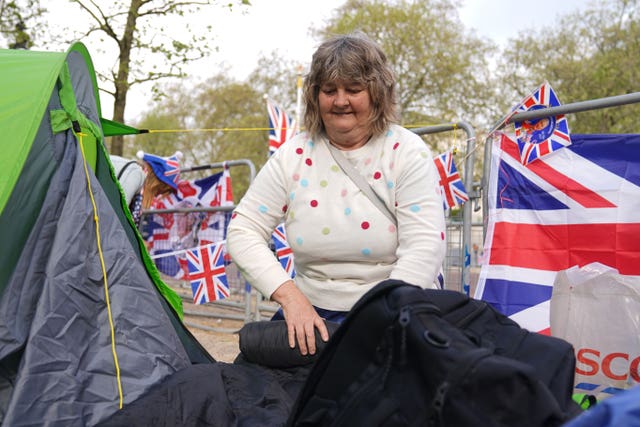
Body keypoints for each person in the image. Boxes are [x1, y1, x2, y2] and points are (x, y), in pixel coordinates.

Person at [226, 31, 446, 356]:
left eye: (353, 89)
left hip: (394, 309)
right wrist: (289, 296)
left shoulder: (407, 152)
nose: (340, 100)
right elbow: (243, 230)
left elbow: (425, 245)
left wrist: (382, 314)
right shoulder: (293, 155)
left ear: (377, 94)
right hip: (309, 315)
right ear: (315, 96)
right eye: (329, 90)